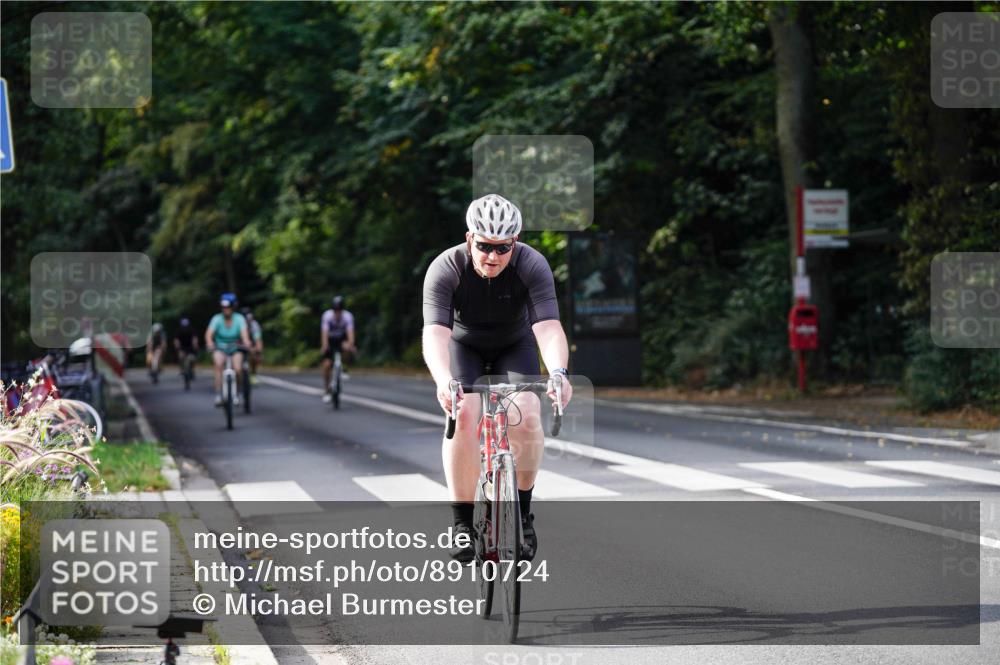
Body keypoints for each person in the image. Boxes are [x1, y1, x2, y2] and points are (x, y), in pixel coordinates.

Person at [421, 193, 573, 563]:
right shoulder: (446, 267)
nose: (492, 256)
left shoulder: (531, 264)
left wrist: (558, 373)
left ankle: (522, 514)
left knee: (527, 414)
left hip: (514, 344)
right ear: (470, 237)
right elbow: (435, 334)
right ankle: (460, 523)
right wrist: (444, 380)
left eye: (502, 248)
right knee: (466, 412)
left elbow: (548, 327)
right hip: (464, 347)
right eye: (485, 246)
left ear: (514, 243)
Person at [204, 293, 253, 406]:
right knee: (218, 364)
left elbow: (244, 334)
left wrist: (246, 342)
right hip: (220, 347)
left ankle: (238, 392)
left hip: (236, 347)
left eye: (228, 307)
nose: (226, 310)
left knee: (238, 368)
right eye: (224, 307)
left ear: (233, 307)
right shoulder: (216, 318)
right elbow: (209, 334)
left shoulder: (239, 318)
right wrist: (210, 343)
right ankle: (218, 394)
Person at [320, 295, 357, 402]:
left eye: (339, 310)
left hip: (342, 339)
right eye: (336, 310)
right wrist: (325, 345)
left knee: (347, 347)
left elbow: (350, 332)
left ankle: (344, 368)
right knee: (327, 365)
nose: (337, 313)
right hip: (330, 340)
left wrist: (351, 344)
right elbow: (324, 333)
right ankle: (327, 390)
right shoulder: (327, 316)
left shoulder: (348, 316)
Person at [241, 308, 264, 381]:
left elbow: (258, 339)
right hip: (238, 343)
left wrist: (259, 351)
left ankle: (253, 374)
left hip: (249, 344)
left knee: (255, 355)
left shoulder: (254, 324)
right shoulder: (237, 322)